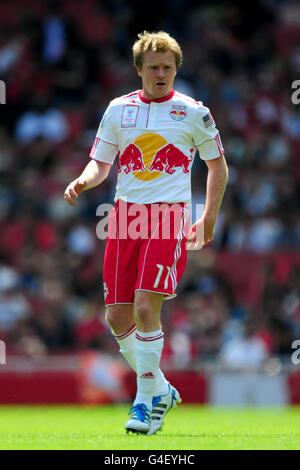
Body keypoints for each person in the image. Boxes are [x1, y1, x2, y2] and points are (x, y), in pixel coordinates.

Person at [64, 31, 228, 435]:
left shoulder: (193, 112)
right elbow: (101, 163)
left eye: (168, 67)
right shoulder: (118, 110)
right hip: (123, 217)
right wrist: (84, 181)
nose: (161, 73)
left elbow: (217, 165)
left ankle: (143, 403)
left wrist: (207, 217)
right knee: (116, 315)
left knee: (143, 309)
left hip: (169, 216)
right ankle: (162, 386)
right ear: (139, 70)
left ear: (176, 69)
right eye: (153, 67)